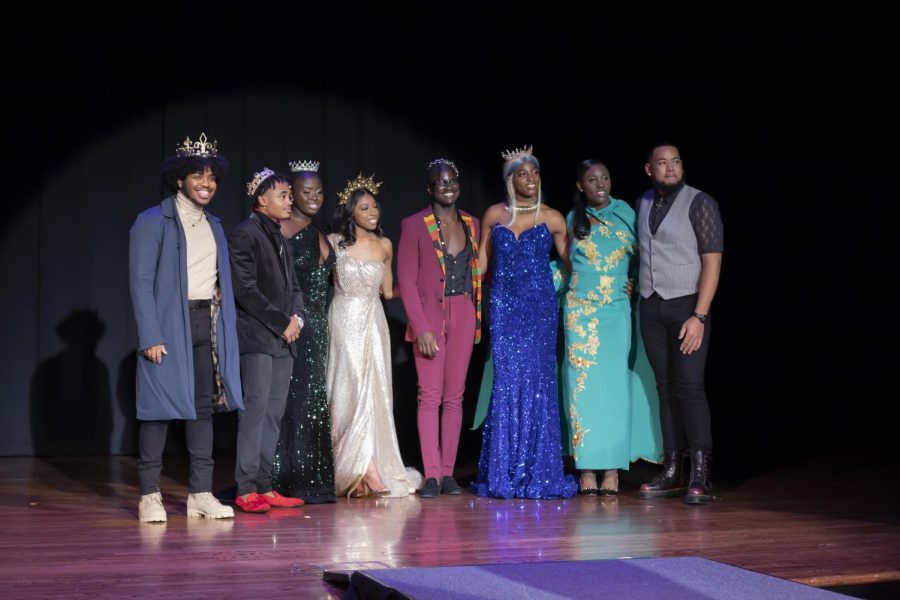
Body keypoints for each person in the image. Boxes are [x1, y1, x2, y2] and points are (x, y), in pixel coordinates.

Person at [129, 132, 242, 522]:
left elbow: (217, 279)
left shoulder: (215, 225)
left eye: (211, 176)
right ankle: (149, 495)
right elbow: (141, 283)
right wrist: (151, 335)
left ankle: (200, 493)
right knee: (157, 412)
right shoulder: (152, 221)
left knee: (202, 411)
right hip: (167, 326)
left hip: (204, 322)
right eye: (197, 175)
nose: (206, 183)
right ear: (179, 180)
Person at [471, 146, 577, 499]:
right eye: (523, 173)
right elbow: (481, 266)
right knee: (507, 384)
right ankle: (504, 470)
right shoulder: (493, 216)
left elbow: (573, 266)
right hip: (504, 309)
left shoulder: (555, 218)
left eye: (535, 172)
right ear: (510, 179)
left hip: (539, 312)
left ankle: (538, 472)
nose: (531, 179)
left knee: (538, 386)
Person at [562, 159, 662, 496]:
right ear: (581, 185)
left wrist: (633, 281)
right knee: (584, 388)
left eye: (605, 177)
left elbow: (642, 259)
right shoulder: (572, 218)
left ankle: (613, 469)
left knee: (615, 388)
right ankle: (587, 467)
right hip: (580, 311)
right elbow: (565, 264)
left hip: (616, 309)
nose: (600, 184)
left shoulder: (627, 214)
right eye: (592, 180)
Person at [635, 143, 723, 505]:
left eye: (675, 162)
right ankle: (672, 469)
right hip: (651, 308)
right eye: (662, 163)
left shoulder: (701, 202)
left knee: (689, 387)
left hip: (687, 304)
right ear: (649, 169)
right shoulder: (642, 202)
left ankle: (700, 473)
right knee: (665, 388)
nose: (670, 169)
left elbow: (712, 261)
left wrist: (700, 316)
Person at [397, 158, 481, 498]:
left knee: (455, 396)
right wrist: (421, 327)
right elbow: (405, 279)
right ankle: (431, 473)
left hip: (464, 310)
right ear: (429, 188)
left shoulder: (472, 223)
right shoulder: (414, 225)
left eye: (452, 181)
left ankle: (448, 473)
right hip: (431, 316)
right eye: (440, 182)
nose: (448, 187)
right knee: (429, 396)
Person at [327, 174, 413, 498]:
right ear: (352, 213)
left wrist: (425, 293)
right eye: (364, 208)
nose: (373, 212)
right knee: (348, 390)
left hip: (373, 320)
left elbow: (387, 291)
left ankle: (371, 466)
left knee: (374, 390)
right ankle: (352, 467)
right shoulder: (335, 242)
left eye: (375, 206)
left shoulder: (385, 244)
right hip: (344, 317)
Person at [229, 168, 306, 513]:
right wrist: (280, 323)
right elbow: (245, 290)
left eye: (290, 195)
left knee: (274, 413)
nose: (290, 201)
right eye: (283, 195)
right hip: (259, 337)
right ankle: (246, 487)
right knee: (255, 412)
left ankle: (264, 484)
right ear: (262, 199)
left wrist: (298, 318)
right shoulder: (245, 234)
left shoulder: (280, 236)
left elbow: (294, 288)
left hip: (284, 339)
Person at [271, 160, 338, 504]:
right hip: (295, 327)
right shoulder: (281, 228)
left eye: (319, 191)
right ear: (292, 194)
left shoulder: (320, 231)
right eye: (306, 190)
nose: (314, 196)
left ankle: (313, 478)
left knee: (313, 401)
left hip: (320, 328)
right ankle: (288, 478)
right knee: (293, 401)